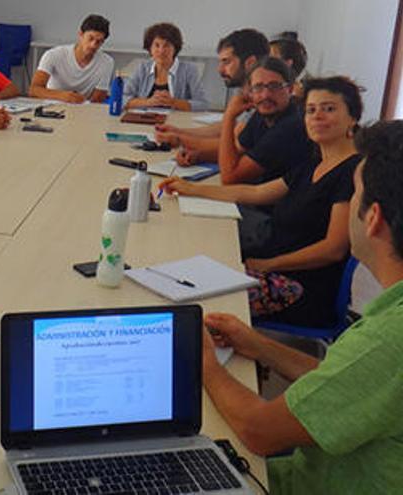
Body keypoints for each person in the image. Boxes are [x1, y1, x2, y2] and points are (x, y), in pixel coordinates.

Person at [199, 119, 403, 494]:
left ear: (373, 219)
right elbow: (342, 379)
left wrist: (205, 361)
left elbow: (258, 430)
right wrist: (257, 344)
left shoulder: (390, 341)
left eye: (355, 192)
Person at [160, 77, 363, 327]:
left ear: (352, 117)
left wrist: (268, 264)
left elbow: (333, 249)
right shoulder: (315, 163)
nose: (317, 116)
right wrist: (192, 189)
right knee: (185, 266)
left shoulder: (353, 173)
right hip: (273, 265)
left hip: (299, 286)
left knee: (193, 300)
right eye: (311, 110)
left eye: (329, 108)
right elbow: (256, 193)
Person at [155, 28, 269, 165]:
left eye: (226, 62)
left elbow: (233, 144)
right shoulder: (246, 92)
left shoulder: (262, 100)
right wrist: (179, 131)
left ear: (250, 63)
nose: (220, 69)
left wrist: (180, 140)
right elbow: (227, 128)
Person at [218, 57, 312, 185]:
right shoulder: (262, 114)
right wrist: (197, 155)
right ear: (250, 92)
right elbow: (237, 151)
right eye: (258, 87)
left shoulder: (290, 126)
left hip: (276, 203)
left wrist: (229, 117)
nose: (265, 95)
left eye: (274, 86)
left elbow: (230, 177)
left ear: (290, 90)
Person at [123, 22, 208, 111]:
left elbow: (202, 104)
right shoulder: (143, 68)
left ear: (175, 48)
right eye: (157, 45)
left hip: (176, 122)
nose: (161, 50)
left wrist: (173, 102)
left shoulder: (189, 70)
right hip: (144, 120)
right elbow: (123, 98)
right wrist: (149, 102)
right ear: (150, 48)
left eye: (166, 45)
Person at [29, 14, 114, 103]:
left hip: (83, 109)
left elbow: (97, 101)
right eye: (90, 38)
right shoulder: (53, 55)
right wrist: (63, 96)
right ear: (81, 34)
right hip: (52, 108)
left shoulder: (107, 62)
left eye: (99, 41)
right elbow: (34, 90)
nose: (93, 45)